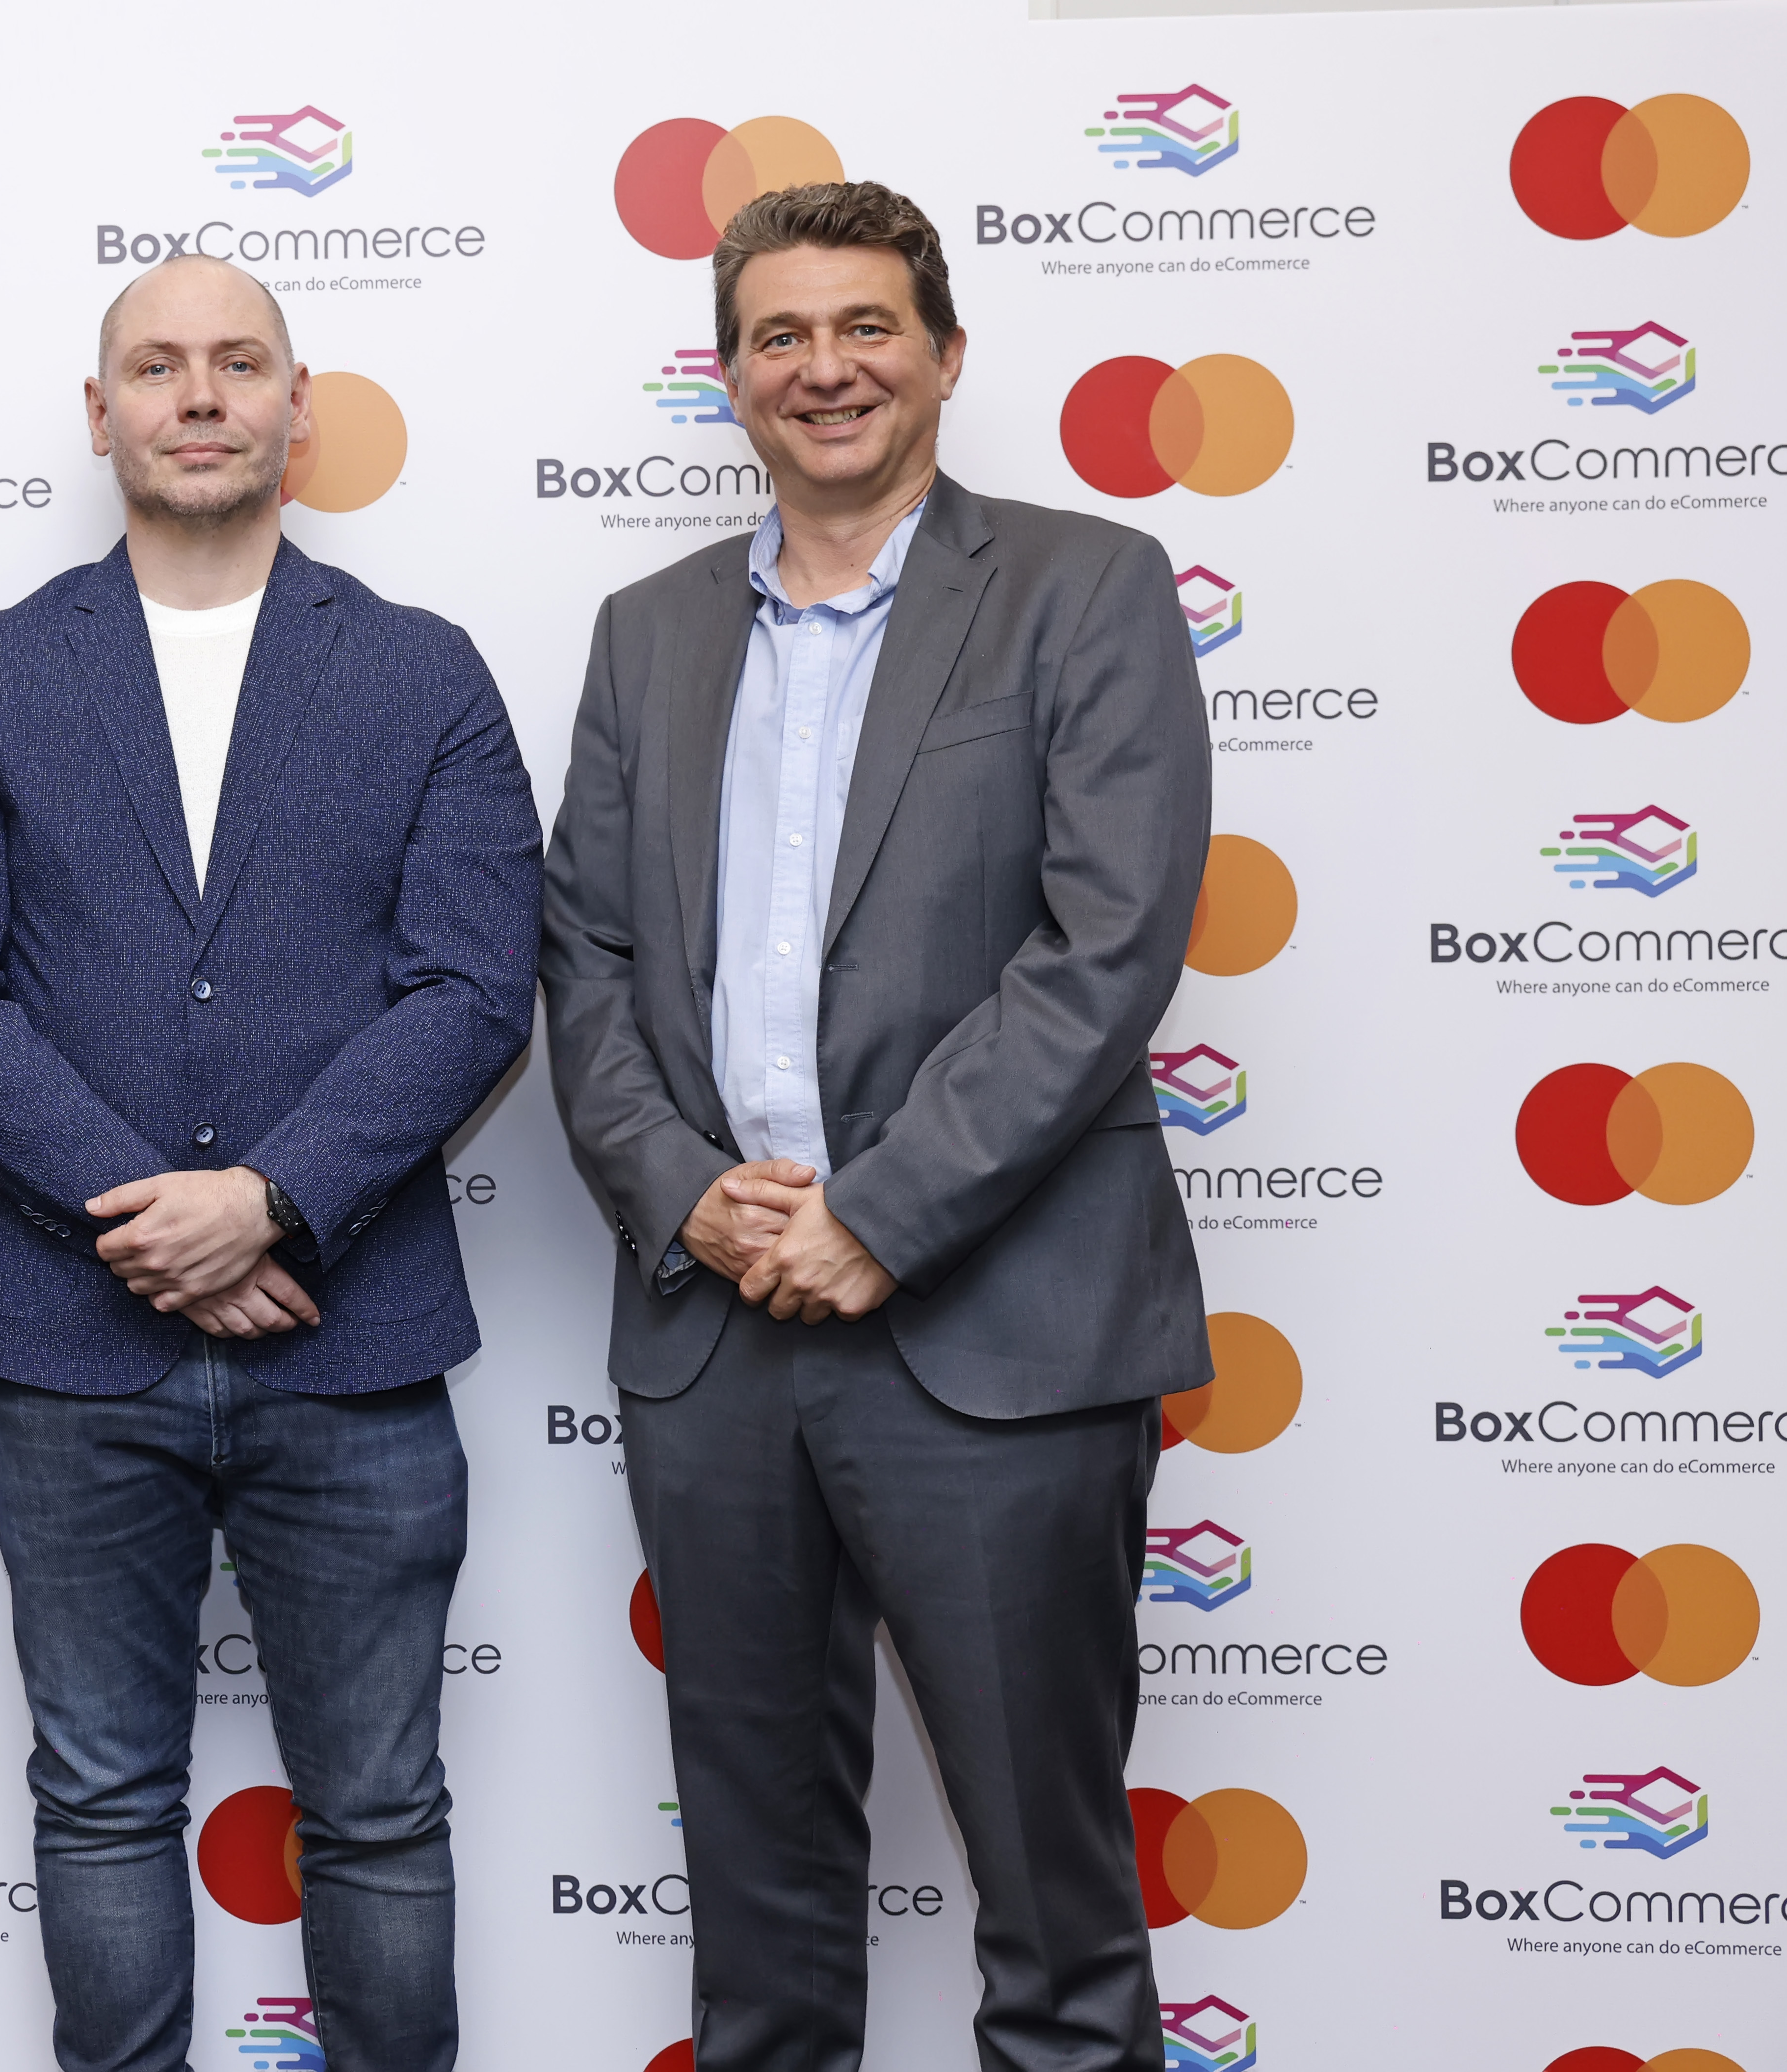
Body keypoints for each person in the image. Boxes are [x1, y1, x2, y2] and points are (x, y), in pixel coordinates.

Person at [540, 181, 1214, 2072]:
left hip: (994, 1330)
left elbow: (1106, 948)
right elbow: (585, 958)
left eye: (865, 328)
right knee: (756, 1915)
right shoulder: (646, 632)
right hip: (717, 1335)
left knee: (1053, 1906)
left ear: (945, 354)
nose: (824, 369)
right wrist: (690, 1195)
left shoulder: (1087, 587)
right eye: (780, 336)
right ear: (731, 376)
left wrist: (882, 1215)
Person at [0, 255, 538, 2072]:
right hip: (74, 1349)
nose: (200, 396)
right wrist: (154, 1224)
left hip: (357, 1339)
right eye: (157, 367)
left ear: (298, 406)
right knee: (100, 1797)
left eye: (240, 362)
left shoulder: (422, 671)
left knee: (380, 1807)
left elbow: (476, 988)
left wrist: (269, 1203)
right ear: (101, 414)